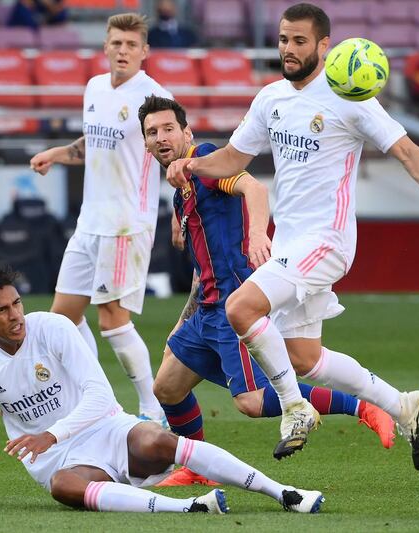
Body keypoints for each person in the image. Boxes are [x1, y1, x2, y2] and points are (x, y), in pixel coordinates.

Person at [166, 3, 419, 469]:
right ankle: (405, 406)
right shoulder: (270, 99)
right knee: (304, 358)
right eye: (283, 39)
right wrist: (192, 164)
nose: (288, 48)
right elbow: (231, 159)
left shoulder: (350, 97)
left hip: (328, 241)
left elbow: (405, 149)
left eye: (299, 40)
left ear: (324, 45)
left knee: (241, 307)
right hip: (290, 244)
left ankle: (296, 410)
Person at [137, 95, 395, 484]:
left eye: (168, 128)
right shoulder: (181, 191)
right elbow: (200, 268)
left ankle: (363, 408)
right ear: (144, 143)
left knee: (252, 402)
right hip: (205, 308)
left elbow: (253, 188)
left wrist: (258, 233)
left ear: (186, 132)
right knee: (166, 388)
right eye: (151, 132)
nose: (160, 137)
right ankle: (196, 468)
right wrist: (181, 322)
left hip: (234, 305)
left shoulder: (205, 161)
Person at [0, 263, 325, 514]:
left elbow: (100, 397)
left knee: (157, 441)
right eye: (2, 311)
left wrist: (50, 434)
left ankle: (284, 493)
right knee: (63, 488)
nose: (16, 316)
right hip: (59, 462)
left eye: (17, 303)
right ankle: (191, 507)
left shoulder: (53, 327)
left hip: (104, 428)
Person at [30, 14, 172, 423]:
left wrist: (184, 207)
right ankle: (98, 400)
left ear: (144, 52)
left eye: (131, 45)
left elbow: (177, 150)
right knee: (63, 320)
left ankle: (152, 408)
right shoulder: (94, 87)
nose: (123, 51)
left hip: (127, 223)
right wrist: (59, 153)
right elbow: (95, 139)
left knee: (111, 318)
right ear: (106, 47)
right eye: (117, 44)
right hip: (89, 221)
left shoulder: (155, 98)